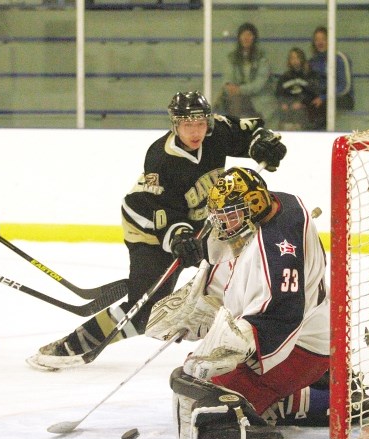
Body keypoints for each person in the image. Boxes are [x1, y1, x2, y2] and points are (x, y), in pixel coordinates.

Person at [27, 91, 287, 371]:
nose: (195, 131)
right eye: (187, 125)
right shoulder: (161, 158)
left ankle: (253, 339)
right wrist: (179, 238)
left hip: (198, 221)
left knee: (242, 271)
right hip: (148, 226)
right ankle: (71, 345)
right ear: (175, 124)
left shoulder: (216, 132)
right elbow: (163, 212)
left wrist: (264, 144)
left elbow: (251, 132)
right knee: (146, 310)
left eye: (200, 123)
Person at [144, 167, 329, 439]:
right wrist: (204, 298)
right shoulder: (276, 206)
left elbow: (281, 315)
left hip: (302, 347)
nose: (222, 223)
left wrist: (234, 342)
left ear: (254, 205)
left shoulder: (277, 254)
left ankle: (324, 397)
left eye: (230, 214)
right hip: (301, 334)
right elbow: (236, 273)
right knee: (196, 390)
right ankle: (313, 388)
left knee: (206, 411)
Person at [217, 22, 276, 123]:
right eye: (243, 35)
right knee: (234, 101)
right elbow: (227, 77)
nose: (246, 38)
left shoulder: (262, 58)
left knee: (237, 102)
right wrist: (228, 85)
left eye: (249, 35)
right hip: (238, 99)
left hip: (258, 100)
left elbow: (259, 85)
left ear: (254, 38)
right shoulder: (232, 57)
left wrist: (240, 89)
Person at [308, 26, 355, 131]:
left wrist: (324, 97)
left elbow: (344, 87)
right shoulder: (313, 61)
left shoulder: (340, 58)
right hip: (321, 98)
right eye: (317, 40)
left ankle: (321, 132)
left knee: (324, 106)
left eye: (323, 39)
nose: (320, 42)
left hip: (342, 98)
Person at [275, 47, 321, 131]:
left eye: (297, 58)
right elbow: (279, 93)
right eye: (292, 58)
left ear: (302, 59)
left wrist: (302, 102)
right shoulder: (285, 77)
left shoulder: (308, 76)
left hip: (303, 109)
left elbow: (312, 93)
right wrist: (283, 103)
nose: (295, 61)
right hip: (288, 108)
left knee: (300, 113)